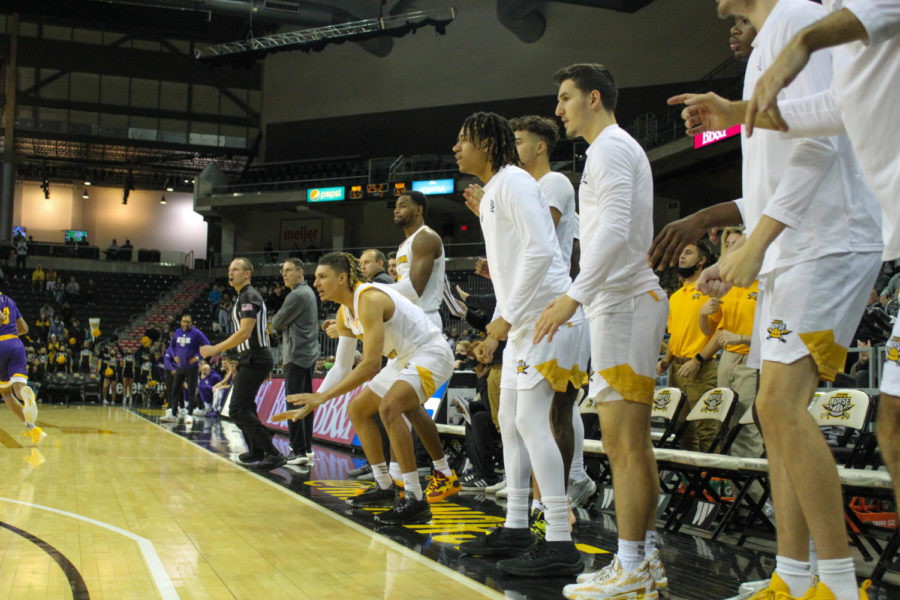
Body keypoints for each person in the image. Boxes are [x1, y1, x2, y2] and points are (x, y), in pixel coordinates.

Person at [667, 2, 883, 599]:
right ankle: (793, 575)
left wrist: (755, 246)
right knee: (772, 410)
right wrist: (732, 258)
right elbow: (773, 174)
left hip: (823, 240)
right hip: (794, 247)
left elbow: (824, 144)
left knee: (782, 404)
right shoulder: (772, 36)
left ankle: (838, 584)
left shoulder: (794, 18)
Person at [531, 63, 668, 598]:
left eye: (564, 98)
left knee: (624, 444)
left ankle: (632, 565)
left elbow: (611, 231)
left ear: (593, 98)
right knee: (631, 443)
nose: (557, 109)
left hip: (625, 301)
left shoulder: (610, 148)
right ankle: (644, 558)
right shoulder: (611, 150)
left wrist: (573, 296)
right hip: (625, 301)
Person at [453, 111, 588, 577]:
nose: (455, 149)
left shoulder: (514, 183)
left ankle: (559, 539)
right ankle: (514, 524)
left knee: (531, 419)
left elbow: (542, 251)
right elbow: (512, 274)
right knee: (509, 419)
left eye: (463, 141)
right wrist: (496, 328)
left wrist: (506, 320)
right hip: (524, 321)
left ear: (487, 146)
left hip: (548, 319)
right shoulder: (496, 192)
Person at [274, 253, 455, 524]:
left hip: (430, 351)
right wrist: (316, 399)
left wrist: (322, 396)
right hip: (403, 357)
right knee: (357, 408)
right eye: (315, 278)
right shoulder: (343, 312)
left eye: (322, 277)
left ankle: (416, 499)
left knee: (390, 407)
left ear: (342, 278)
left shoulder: (368, 299)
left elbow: (370, 365)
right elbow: (342, 367)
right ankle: (384, 487)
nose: (316, 283)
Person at [509, 113, 595, 509]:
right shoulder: (525, 187)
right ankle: (547, 493)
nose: (514, 147)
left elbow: (540, 237)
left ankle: (564, 491)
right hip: (535, 306)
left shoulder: (554, 182)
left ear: (540, 146)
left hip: (556, 304)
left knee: (552, 413)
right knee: (529, 416)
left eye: (520, 140)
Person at [200, 258, 284, 472]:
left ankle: (272, 451)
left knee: (237, 409)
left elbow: (245, 332)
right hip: (252, 356)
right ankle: (257, 449)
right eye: (229, 270)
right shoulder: (242, 297)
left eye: (235, 269)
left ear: (247, 274)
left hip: (256, 356)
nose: (231, 273)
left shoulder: (249, 296)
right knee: (246, 406)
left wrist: (215, 349)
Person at [699, 227, 764, 459]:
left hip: (752, 360)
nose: (732, 249)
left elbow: (776, 335)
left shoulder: (763, 284)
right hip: (727, 360)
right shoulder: (728, 286)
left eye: (738, 243)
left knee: (745, 428)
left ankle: (754, 493)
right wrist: (703, 314)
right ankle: (733, 491)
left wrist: (742, 338)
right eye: (729, 245)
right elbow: (709, 331)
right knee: (723, 424)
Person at [657, 242, 721, 453]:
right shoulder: (676, 296)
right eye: (681, 252)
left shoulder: (711, 292)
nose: (682, 257)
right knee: (682, 430)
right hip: (676, 369)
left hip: (700, 369)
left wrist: (698, 360)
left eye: (688, 253)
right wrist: (667, 360)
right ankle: (690, 482)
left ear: (702, 261)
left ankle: (711, 480)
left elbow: (717, 333)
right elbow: (675, 334)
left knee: (707, 431)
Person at [271, 258, 320, 465]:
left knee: (294, 403)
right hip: (306, 355)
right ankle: (306, 448)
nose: (284, 274)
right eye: (283, 271)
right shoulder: (306, 293)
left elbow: (277, 322)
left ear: (300, 272)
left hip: (297, 356)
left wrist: (278, 323)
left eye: (288, 270)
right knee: (305, 405)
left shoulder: (297, 294)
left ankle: (298, 450)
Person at [0, 289, 45, 444]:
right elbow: (25, 328)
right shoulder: (10, 301)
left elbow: (0, 318)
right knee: (19, 390)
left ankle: (31, 426)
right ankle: (33, 427)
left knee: (6, 394)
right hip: (15, 343)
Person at [162, 315, 210, 424]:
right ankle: (173, 414)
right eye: (184, 321)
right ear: (180, 322)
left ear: (191, 322)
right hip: (180, 367)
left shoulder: (197, 333)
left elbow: (207, 344)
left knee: (191, 391)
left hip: (192, 368)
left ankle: (189, 415)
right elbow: (172, 345)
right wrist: (174, 355)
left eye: (188, 322)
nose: (185, 323)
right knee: (175, 390)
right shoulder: (177, 332)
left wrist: (198, 357)